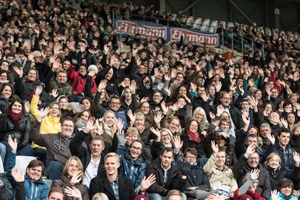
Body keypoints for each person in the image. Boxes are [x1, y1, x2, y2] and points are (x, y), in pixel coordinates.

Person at [30, 110, 74, 180]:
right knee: (56, 165)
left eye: (70, 126)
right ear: (61, 126)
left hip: (70, 169)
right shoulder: (51, 137)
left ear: (73, 129)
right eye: (65, 125)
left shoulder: (77, 142)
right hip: (54, 168)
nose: (68, 128)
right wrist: (39, 118)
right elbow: (34, 136)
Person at [8, 136, 48, 200]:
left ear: (42, 174)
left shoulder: (44, 186)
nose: (36, 172)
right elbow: (10, 170)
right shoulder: (19, 180)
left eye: (38, 171)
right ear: (27, 170)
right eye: (33, 169)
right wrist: (13, 151)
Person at [69, 117, 106, 187]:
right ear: (90, 146)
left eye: (98, 145)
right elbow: (73, 145)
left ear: (103, 147)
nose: (96, 147)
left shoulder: (105, 161)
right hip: (82, 190)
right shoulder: (84, 155)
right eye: (94, 145)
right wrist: (85, 131)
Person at [0, 97, 34, 170]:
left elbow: (26, 134)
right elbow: (2, 129)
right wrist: (4, 116)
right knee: (9, 148)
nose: (17, 108)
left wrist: (18, 146)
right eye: (15, 105)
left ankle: (25, 173)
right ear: (11, 106)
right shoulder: (5, 116)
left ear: (22, 108)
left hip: (20, 143)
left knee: (28, 149)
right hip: (6, 140)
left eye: (19, 106)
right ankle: (6, 172)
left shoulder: (26, 118)